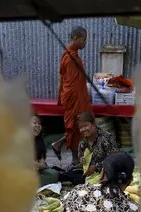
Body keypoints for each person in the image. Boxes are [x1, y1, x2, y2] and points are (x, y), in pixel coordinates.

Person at [53, 26, 91, 165]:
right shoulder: (70, 58)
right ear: (76, 38)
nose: (85, 43)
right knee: (76, 126)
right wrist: (79, 101)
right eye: (84, 39)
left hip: (76, 96)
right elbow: (70, 82)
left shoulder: (70, 55)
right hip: (74, 98)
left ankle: (60, 146)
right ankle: (74, 159)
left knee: (77, 127)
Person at [77, 111, 120, 184]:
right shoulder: (83, 143)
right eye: (81, 127)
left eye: (86, 126)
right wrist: (81, 161)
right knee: (71, 174)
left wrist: (96, 167)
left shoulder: (106, 138)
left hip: (107, 172)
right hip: (90, 175)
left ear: (93, 124)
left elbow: (115, 159)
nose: (83, 129)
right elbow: (80, 160)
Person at [33, 115, 59, 187]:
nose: (38, 126)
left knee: (53, 174)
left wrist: (35, 164)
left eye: (39, 124)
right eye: (35, 123)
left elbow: (42, 164)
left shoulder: (40, 143)